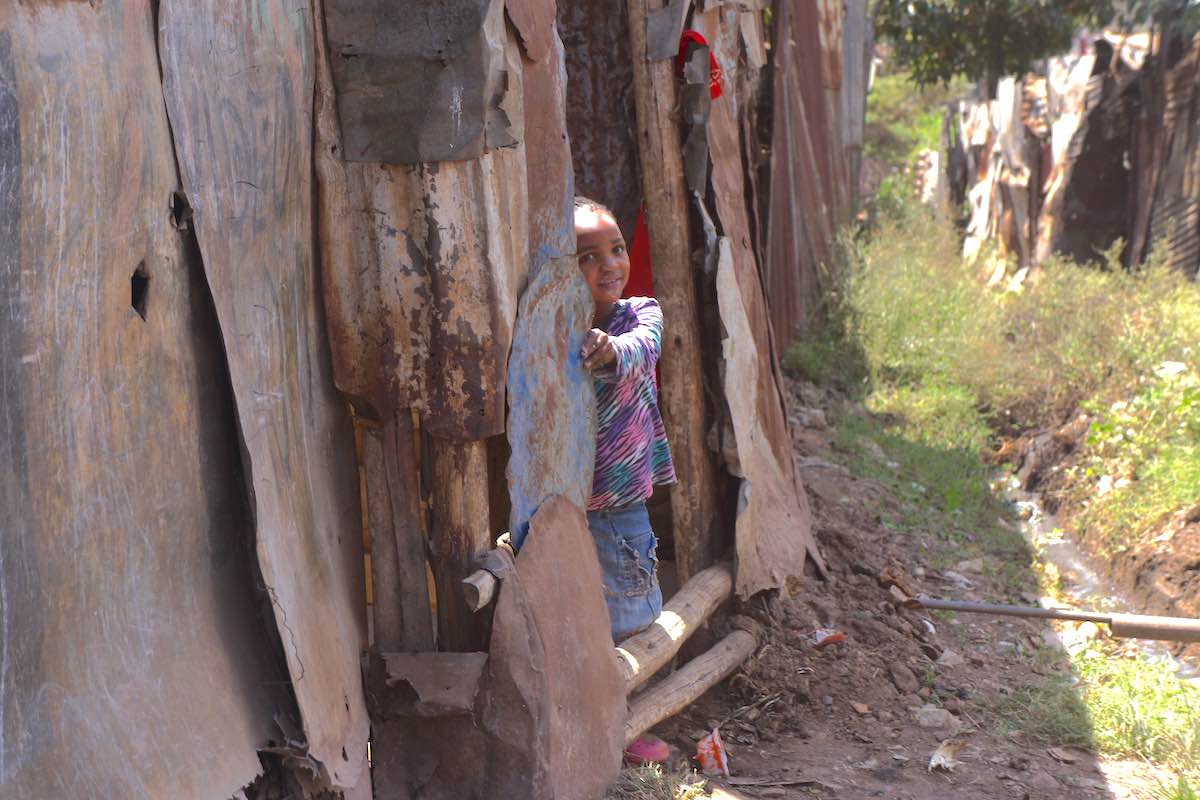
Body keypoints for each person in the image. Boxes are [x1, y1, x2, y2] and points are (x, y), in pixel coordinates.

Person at [574, 196, 674, 764]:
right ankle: (590, 715)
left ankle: (628, 722)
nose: (610, 263)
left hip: (619, 501)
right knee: (576, 613)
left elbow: (642, 350)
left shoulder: (639, 315)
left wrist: (608, 349)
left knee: (631, 613)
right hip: (562, 503)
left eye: (615, 248)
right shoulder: (554, 325)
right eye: (588, 257)